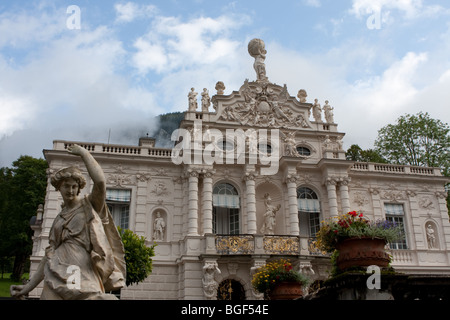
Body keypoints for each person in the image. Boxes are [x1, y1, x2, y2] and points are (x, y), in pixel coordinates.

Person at [10, 144, 126, 300]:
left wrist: (85, 154)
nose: (70, 191)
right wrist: (28, 287)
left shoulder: (89, 205)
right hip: (55, 271)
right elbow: (48, 255)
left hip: (78, 271)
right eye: (66, 186)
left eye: (74, 186)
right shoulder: (58, 219)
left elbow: (100, 183)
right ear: (59, 187)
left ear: (79, 188)